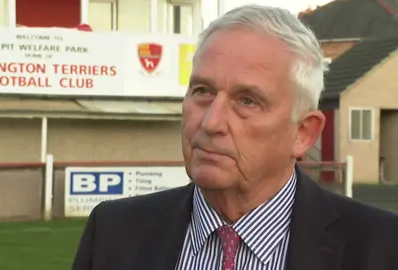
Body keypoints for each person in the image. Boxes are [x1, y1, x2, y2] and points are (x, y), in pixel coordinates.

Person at [71, 5, 398, 270]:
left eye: (247, 101)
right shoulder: (114, 233)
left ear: (303, 133)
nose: (211, 123)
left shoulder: (382, 248)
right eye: (202, 91)